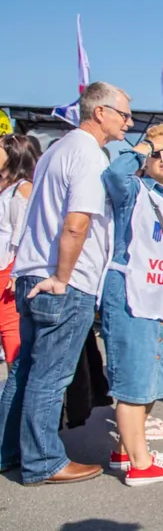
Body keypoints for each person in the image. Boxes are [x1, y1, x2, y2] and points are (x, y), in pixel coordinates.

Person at [0, 81, 131, 485]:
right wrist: (62, 276)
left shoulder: (57, 149)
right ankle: (44, 462)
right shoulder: (88, 156)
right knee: (49, 375)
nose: (129, 121)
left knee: (25, 370)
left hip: (31, 274)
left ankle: (9, 451)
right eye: (124, 114)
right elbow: (77, 223)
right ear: (100, 113)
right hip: (62, 282)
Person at [100, 124, 163, 485]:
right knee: (135, 379)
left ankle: (125, 448)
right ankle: (140, 463)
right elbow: (114, 173)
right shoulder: (134, 190)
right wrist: (147, 144)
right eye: (158, 154)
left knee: (154, 378)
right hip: (134, 294)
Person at [0, 135, 40, 366]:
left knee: (10, 328)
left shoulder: (22, 189)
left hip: (8, 267)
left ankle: (15, 392)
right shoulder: (8, 187)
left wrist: (16, 272)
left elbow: (23, 233)